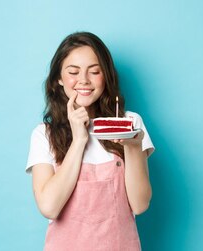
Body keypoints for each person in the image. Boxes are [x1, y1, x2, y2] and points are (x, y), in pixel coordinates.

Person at [25, 31, 155, 250]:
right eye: (73, 72)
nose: (84, 80)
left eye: (95, 71)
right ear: (59, 78)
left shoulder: (130, 123)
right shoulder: (43, 134)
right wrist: (78, 141)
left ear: (106, 76)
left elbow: (140, 204)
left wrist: (132, 146)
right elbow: (49, 207)